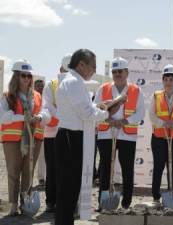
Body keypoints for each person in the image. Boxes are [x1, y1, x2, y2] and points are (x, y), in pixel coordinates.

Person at [55, 49, 110, 225]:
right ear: (81, 65)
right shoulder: (73, 83)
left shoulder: (74, 82)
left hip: (74, 136)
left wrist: (99, 108)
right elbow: (86, 113)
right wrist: (104, 113)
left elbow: (86, 109)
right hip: (71, 137)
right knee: (68, 188)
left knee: (70, 189)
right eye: (92, 66)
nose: (94, 70)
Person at [94, 57, 145, 210]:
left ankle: (126, 203)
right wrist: (109, 120)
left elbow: (140, 112)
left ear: (127, 72)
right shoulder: (103, 89)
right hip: (106, 133)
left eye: (120, 71)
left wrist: (124, 121)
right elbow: (96, 109)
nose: (117, 74)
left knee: (127, 169)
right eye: (114, 72)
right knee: (105, 169)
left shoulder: (136, 90)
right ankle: (103, 203)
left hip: (127, 134)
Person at [0, 60, 47, 216]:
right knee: (13, 172)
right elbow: (3, 117)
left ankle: (25, 202)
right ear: (16, 77)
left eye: (29, 75)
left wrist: (39, 116)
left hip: (34, 139)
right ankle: (13, 204)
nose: (26, 78)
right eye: (23, 75)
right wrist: (23, 118)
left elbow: (47, 113)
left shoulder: (37, 96)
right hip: (13, 140)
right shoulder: (8, 96)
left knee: (29, 171)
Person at [149, 64, 173, 206]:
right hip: (159, 136)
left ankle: (172, 193)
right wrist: (163, 123)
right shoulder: (156, 95)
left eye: (171, 79)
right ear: (163, 81)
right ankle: (156, 197)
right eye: (166, 79)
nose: (168, 82)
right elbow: (152, 114)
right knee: (158, 166)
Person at [40, 54, 71, 213]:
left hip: (70, 134)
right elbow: (47, 107)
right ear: (60, 69)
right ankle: (50, 201)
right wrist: (65, 115)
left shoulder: (78, 85)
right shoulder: (51, 85)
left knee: (66, 169)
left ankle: (63, 201)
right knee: (52, 169)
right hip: (52, 134)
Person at [34, 79, 46, 186]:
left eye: (42, 86)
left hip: (43, 132)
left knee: (42, 156)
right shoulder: (31, 98)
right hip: (31, 132)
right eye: (38, 86)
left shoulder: (46, 99)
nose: (40, 88)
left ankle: (41, 178)